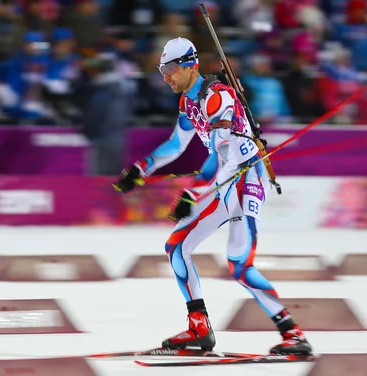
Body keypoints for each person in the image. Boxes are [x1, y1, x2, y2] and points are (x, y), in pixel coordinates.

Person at [114, 37, 313, 356]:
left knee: (239, 265)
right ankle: (199, 329)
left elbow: (220, 157)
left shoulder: (218, 98)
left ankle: (294, 336)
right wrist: (140, 169)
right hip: (222, 181)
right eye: (161, 69)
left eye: (169, 69)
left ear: (189, 65)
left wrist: (192, 193)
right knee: (177, 247)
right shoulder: (187, 102)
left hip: (244, 178)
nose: (165, 76)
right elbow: (176, 146)